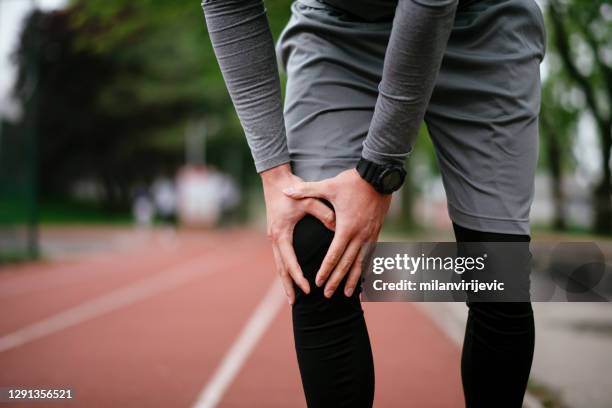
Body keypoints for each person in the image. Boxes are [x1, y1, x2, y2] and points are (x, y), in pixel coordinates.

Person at [201, 0, 545, 406]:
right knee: (316, 251)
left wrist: (378, 171)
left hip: (481, 22)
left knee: (497, 277)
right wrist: (275, 174)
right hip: (339, 30)